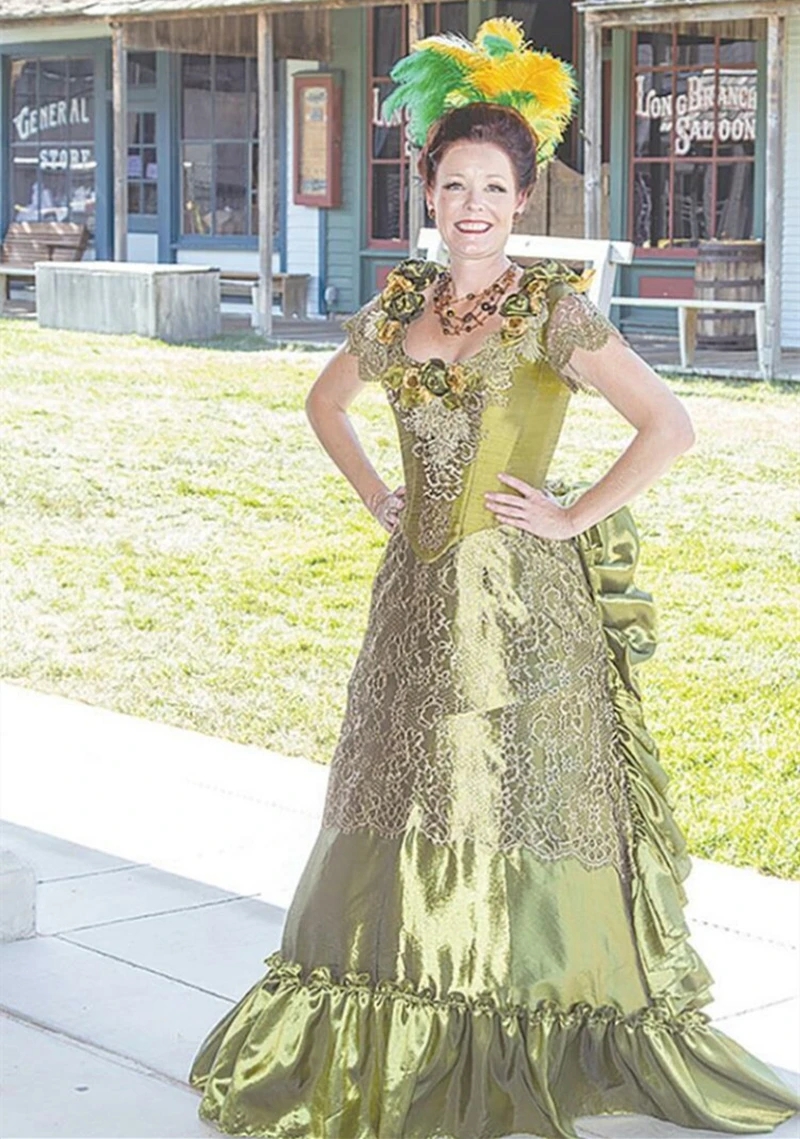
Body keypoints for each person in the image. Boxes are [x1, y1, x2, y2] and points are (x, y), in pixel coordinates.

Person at [188, 19, 800, 1138]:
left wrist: (570, 512)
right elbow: (324, 404)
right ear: (425, 189)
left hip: (520, 607)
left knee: (509, 794)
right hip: (411, 598)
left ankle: (516, 1005)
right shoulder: (395, 307)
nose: (471, 204)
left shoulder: (549, 310)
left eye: (493, 187)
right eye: (452, 183)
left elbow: (668, 425)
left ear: (522, 201)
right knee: (401, 785)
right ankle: (394, 1001)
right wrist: (373, 488)